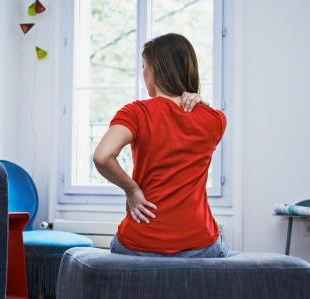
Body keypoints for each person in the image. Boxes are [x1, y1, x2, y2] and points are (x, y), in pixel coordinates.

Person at [93, 33, 228, 258]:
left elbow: (102, 156)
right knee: (220, 239)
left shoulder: (136, 112)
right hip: (199, 244)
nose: (142, 72)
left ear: (154, 70)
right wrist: (199, 101)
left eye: (143, 66)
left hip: (139, 242)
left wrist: (132, 189)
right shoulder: (216, 119)